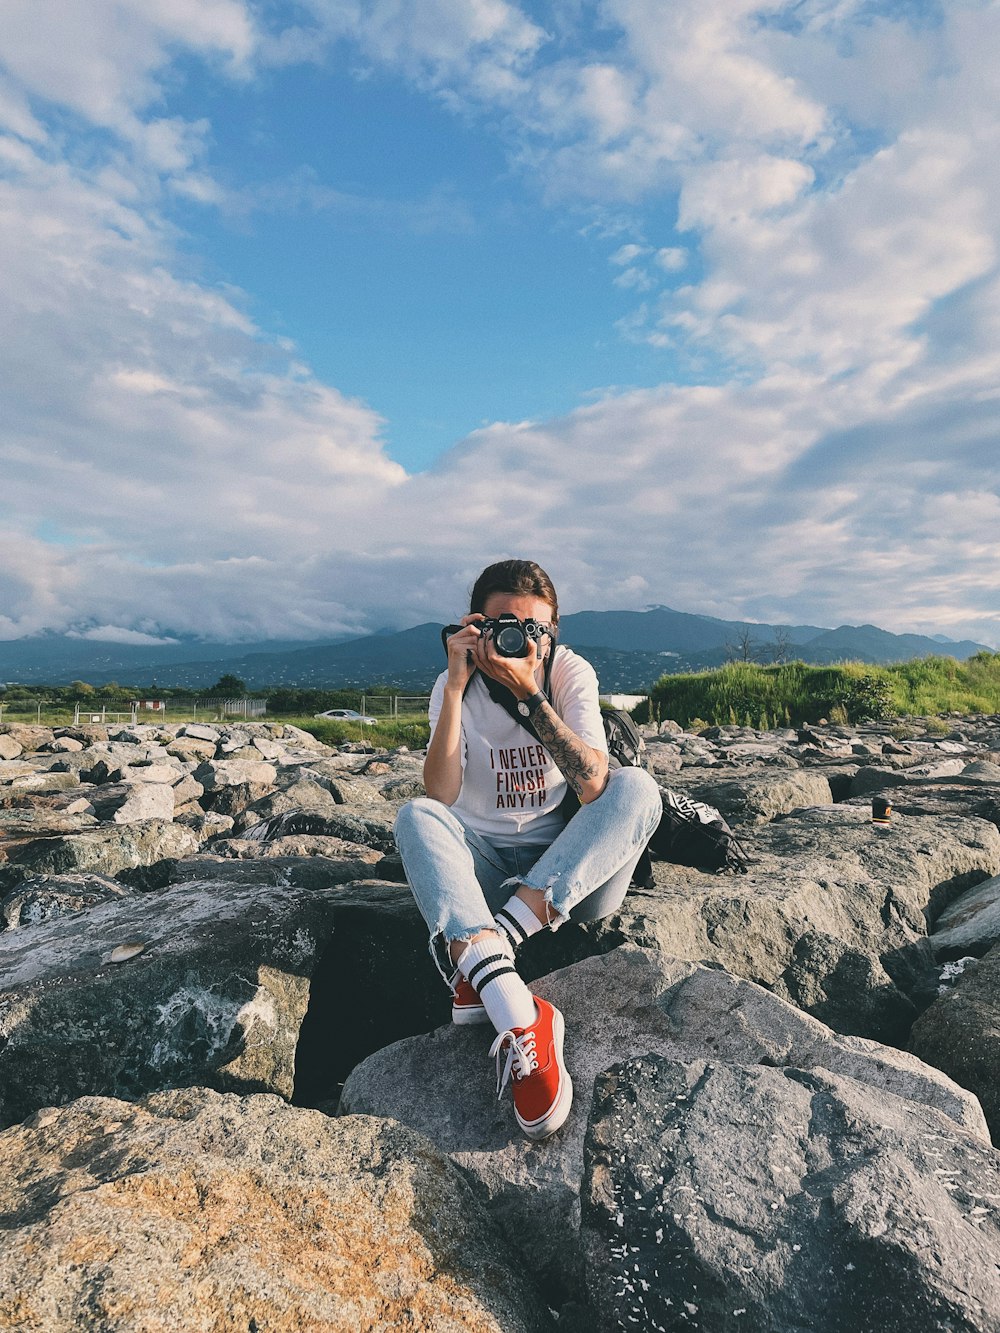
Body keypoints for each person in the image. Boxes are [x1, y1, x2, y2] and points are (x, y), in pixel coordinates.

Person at [394, 559, 663, 1140]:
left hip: (569, 877)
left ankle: (486, 953)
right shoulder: (455, 682)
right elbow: (439, 793)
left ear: (554, 634)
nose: (521, 637)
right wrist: (458, 685)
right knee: (416, 816)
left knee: (637, 787)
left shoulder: (568, 673)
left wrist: (529, 696)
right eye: (503, 624)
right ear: (476, 627)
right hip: (484, 872)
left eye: (534, 627)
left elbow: (593, 784)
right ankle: (522, 1015)